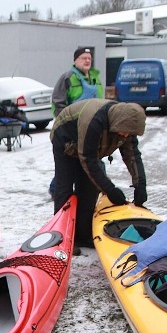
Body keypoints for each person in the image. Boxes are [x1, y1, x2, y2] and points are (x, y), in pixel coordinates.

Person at [50, 98, 147, 250]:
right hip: (65, 138)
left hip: (87, 148)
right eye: (125, 132)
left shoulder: (127, 127)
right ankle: (62, 236)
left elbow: (133, 156)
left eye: (130, 134)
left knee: (89, 189)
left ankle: (83, 235)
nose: (126, 135)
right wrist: (110, 190)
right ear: (117, 123)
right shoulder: (95, 121)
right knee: (65, 186)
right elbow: (88, 159)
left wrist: (140, 184)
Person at [49, 47, 104, 196]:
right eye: (83, 58)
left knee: (92, 162)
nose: (87, 61)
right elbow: (57, 103)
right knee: (70, 165)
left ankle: (92, 192)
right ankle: (56, 190)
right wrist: (66, 126)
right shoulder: (68, 78)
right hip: (73, 128)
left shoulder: (95, 78)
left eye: (89, 58)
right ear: (75, 60)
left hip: (93, 128)